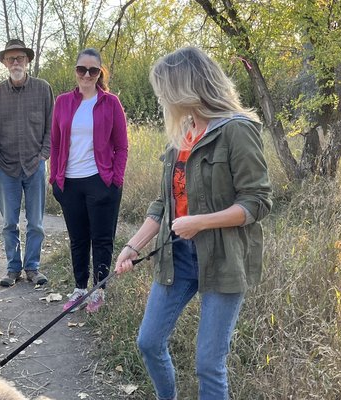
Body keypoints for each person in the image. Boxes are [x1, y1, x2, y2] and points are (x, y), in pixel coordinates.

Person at [114, 47, 272, 400]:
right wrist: (131, 247)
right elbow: (162, 204)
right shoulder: (183, 134)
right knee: (149, 341)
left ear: (185, 88)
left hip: (224, 260)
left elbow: (257, 202)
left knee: (208, 364)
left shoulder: (237, 130)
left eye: (164, 90)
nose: (161, 98)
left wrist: (200, 222)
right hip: (178, 258)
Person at [50, 48, 128, 314]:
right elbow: (56, 144)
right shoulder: (62, 102)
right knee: (78, 238)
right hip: (69, 182)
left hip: (100, 180)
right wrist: (55, 180)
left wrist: (115, 180)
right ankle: (80, 289)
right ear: (75, 71)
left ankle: (99, 290)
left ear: (99, 73)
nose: (86, 75)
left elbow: (122, 146)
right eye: (81, 69)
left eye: (92, 70)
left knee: (102, 239)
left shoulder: (111, 102)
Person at [0, 39, 53, 288]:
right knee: (9, 223)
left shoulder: (43, 89)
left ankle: (32, 268)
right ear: (5, 62)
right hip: (7, 167)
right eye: (11, 59)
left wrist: (43, 155)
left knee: (35, 222)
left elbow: (51, 127)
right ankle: (13, 268)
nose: (16, 62)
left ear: (27, 61)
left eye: (20, 58)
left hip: (35, 166)